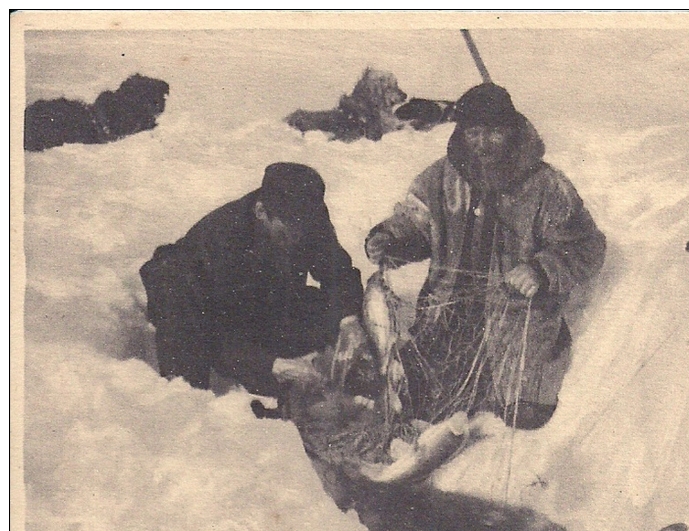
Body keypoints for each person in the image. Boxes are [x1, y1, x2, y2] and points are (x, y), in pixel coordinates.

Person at [365, 83, 605, 430]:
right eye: (473, 132)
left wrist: (541, 269)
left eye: (493, 132)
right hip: (446, 315)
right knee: (416, 403)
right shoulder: (441, 177)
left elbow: (587, 246)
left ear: (511, 130)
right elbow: (415, 222)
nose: (482, 143)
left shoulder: (547, 186)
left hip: (515, 321)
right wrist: (389, 238)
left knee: (523, 414)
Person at [141, 162, 363, 402]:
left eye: (304, 227)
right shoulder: (224, 238)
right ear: (260, 212)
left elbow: (338, 272)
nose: (298, 237)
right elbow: (220, 333)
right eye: (289, 228)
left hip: (261, 302)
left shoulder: (309, 219)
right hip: (196, 308)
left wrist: (348, 322)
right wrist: (272, 365)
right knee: (189, 385)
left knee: (329, 315)